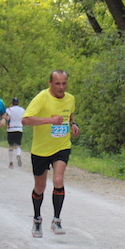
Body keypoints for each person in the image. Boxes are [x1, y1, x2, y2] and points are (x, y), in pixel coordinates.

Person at [22, 70, 80, 238]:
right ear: (50, 83)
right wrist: (49, 120)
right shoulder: (42, 97)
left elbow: (70, 114)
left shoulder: (70, 99)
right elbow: (26, 119)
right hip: (41, 150)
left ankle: (56, 220)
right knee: (40, 187)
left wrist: (73, 124)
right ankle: (37, 219)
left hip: (61, 146)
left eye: (64, 83)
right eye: (57, 84)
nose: (61, 87)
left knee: (58, 180)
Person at [5, 97, 26, 168]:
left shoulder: (9, 109)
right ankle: (18, 154)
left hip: (11, 129)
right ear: (18, 103)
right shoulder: (22, 110)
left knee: (11, 146)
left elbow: (8, 118)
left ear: (12, 103)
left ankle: (11, 162)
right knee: (17, 145)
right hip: (19, 128)